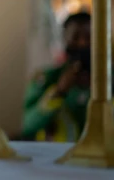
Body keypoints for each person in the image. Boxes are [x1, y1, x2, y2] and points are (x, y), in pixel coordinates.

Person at [21, 12, 93, 141]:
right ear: (65, 39)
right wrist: (59, 91)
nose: (83, 43)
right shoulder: (47, 78)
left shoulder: (110, 80)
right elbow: (28, 125)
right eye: (75, 37)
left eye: (89, 37)